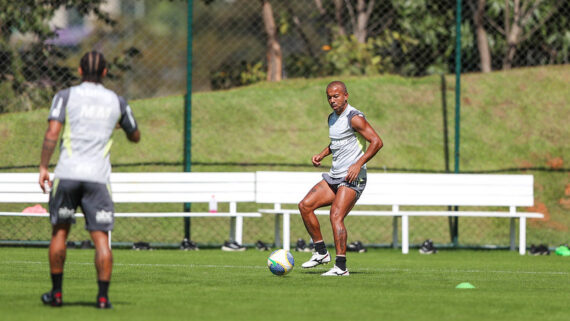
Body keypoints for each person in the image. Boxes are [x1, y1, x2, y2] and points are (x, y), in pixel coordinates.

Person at [39, 51, 141, 308]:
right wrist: (117, 127)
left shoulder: (65, 96)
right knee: (101, 239)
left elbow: (53, 132)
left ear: (80, 71)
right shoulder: (116, 101)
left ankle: (57, 293)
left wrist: (43, 166)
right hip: (98, 178)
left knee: (60, 232)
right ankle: (103, 298)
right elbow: (135, 135)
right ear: (105, 72)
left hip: (68, 174)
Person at [298, 81, 383, 276]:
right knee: (305, 206)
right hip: (335, 176)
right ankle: (321, 253)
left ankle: (341, 268)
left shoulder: (355, 118)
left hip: (353, 178)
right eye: (329, 97)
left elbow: (377, 142)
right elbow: (337, 141)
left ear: (346, 95)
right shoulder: (332, 118)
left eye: (336, 96)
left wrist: (358, 164)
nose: (332, 100)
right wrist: (321, 154)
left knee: (336, 215)